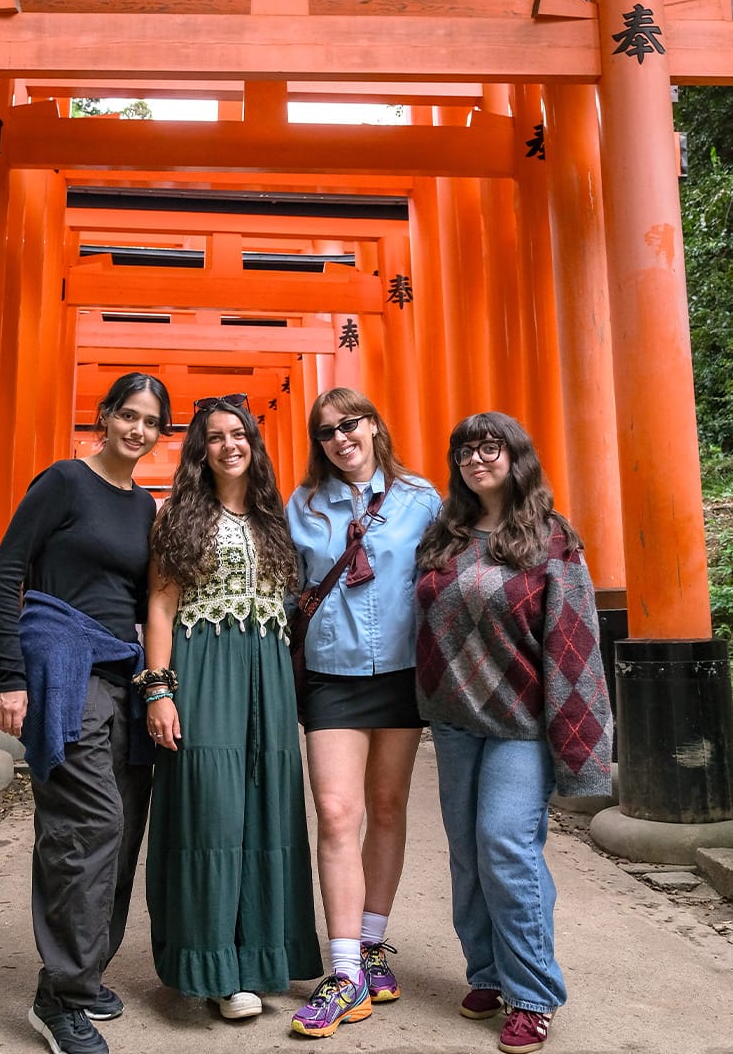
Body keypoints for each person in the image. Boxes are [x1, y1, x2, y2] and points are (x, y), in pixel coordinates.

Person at [415, 412, 614, 1054]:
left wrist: (582, 752)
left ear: (515, 457)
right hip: (454, 719)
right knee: (467, 852)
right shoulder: (444, 536)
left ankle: (531, 994)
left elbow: (576, 644)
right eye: (466, 450)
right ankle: (487, 972)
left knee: (505, 845)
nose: (477, 460)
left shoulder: (551, 540)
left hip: (520, 725)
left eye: (490, 447)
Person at [0, 372, 172, 1054]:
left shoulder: (145, 508)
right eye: (128, 415)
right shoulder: (63, 482)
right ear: (104, 416)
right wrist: (9, 677)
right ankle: (58, 997)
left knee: (123, 830)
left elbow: (149, 596)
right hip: (64, 668)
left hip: (122, 671)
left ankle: (84, 970)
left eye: (151, 422)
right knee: (86, 824)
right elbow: (8, 571)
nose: (137, 430)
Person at [141, 393, 322, 1021]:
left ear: (254, 443)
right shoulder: (178, 515)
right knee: (210, 814)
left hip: (267, 675)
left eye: (239, 433)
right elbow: (161, 607)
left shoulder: (276, 519)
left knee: (267, 808)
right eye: (215, 436)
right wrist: (160, 690)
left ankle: (259, 960)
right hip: (202, 666)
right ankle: (213, 968)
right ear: (200, 449)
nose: (229, 445)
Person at [285, 387, 440, 1038]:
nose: (341, 437)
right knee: (337, 811)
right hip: (331, 673)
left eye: (351, 424)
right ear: (318, 444)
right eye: (326, 431)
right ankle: (344, 971)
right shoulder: (303, 506)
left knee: (384, 807)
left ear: (375, 424)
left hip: (402, 671)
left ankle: (374, 943)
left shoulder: (422, 499)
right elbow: (285, 584)